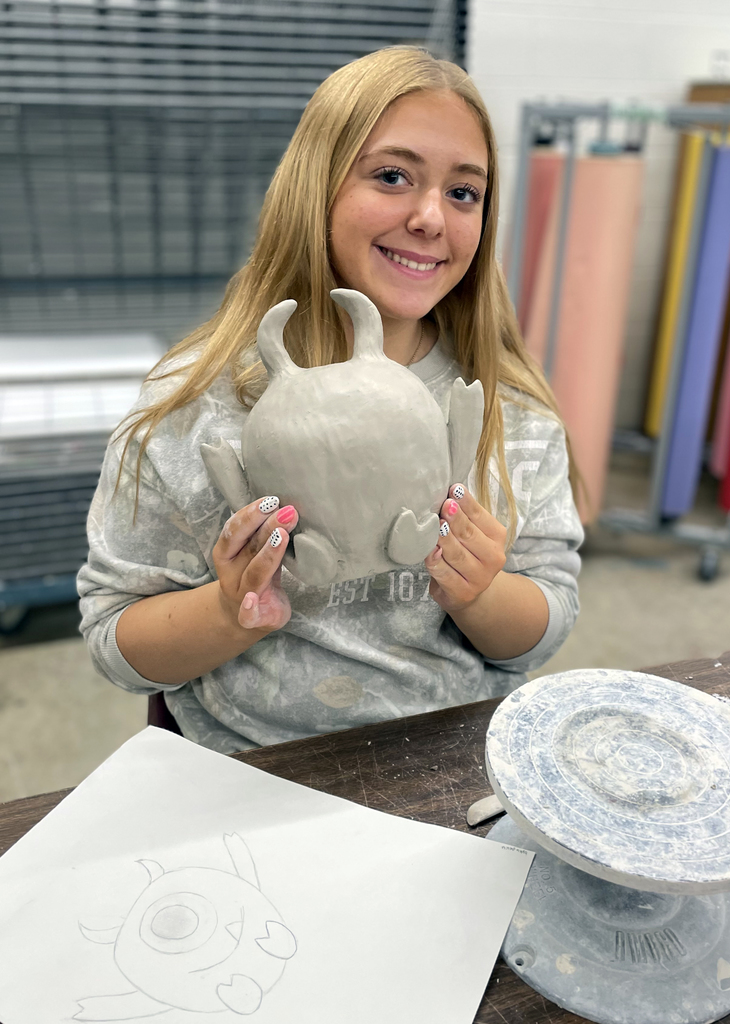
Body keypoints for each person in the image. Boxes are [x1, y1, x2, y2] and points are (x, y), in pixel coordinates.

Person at [78, 47, 584, 754]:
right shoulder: (195, 404)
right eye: (391, 176)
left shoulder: (508, 408)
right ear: (315, 187)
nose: (432, 217)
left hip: (446, 762)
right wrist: (230, 611)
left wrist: (480, 593)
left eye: (464, 192)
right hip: (249, 766)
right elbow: (114, 636)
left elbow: (545, 625)